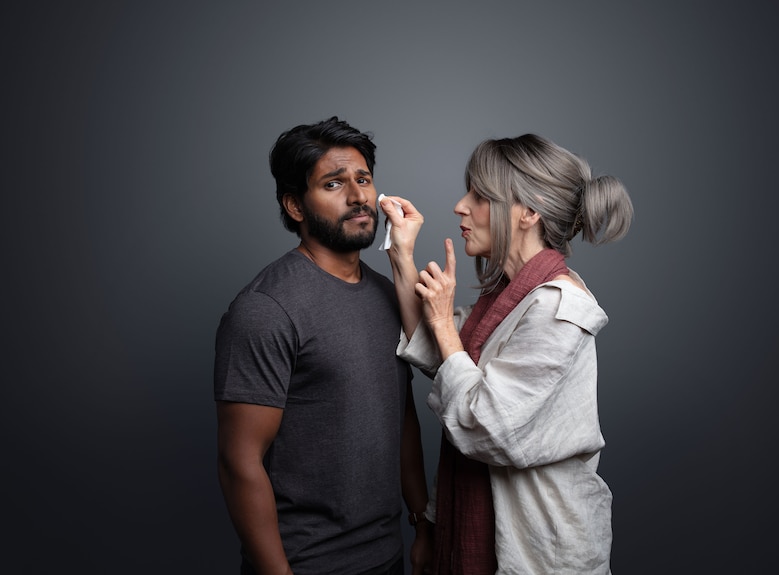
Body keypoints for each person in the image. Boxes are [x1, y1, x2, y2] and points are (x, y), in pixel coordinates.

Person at [379, 133, 633, 574]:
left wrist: (443, 322)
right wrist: (402, 254)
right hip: (476, 523)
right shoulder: (506, 297)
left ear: (529, 212)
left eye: (479, 195)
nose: (460, 205)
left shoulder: (558, 308)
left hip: (540, 551)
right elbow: (440, 353)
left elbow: (487, 425)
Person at [214, 116, 432, 575]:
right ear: (295, 206)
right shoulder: (266, 308)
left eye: (363, 179)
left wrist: (422, 521)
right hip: (308, 563)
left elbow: (401, 415)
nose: (357, 197)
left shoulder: (389, 294)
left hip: (386, 556)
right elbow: (240, 461)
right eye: (333, 184)